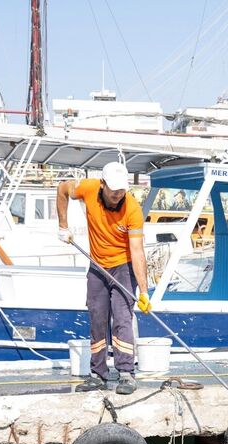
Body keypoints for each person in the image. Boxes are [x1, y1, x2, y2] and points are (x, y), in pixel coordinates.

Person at [57, 161, 151, 395]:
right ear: (102, 184)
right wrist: (63, 226)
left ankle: (126, 373)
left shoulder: (132, 210)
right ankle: (98, 374)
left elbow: (137, 251)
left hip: (123, 267)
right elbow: (62, 189)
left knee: (122, 319)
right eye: (113, 190)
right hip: (97, 265)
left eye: (122, 190)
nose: (118, 195)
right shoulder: (88, 188)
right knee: (97, 318)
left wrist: (144, 291)